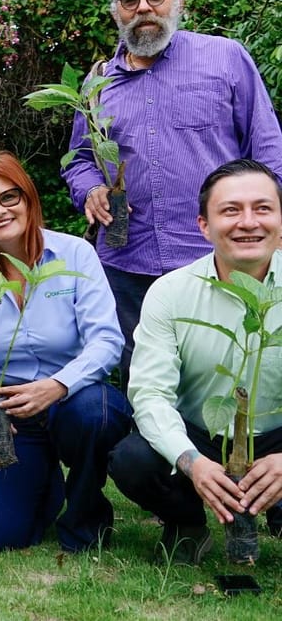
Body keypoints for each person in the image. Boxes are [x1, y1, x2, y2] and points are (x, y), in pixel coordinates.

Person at [61, 0, 282, 390]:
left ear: (176, 2)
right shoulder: (96, 83)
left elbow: (268, 147)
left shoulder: (224, 58)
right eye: (130, 0)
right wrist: (89, 189)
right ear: (116, 12)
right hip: (129, 263)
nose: (143, 7)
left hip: (215, 258)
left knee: (227, 378)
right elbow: (81, 158)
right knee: (143, 384)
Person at [0, 152, 132, 552]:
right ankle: (43, 480)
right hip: (13, 412)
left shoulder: (74, 255)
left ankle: (86, 515)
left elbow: (107, 340)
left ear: (28, 198)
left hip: (75, 399)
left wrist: (56, 386)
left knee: (95, 416)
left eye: (8, 198)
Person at [109, 158, 282, 565]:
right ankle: (186, 521)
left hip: (277, 433)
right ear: (204, 226)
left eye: (262, 208)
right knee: (133, 460)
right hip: (202, 432)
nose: (248, 222)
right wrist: (194, 465)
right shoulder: (171, 293)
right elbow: (150, 395)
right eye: (230, 211)